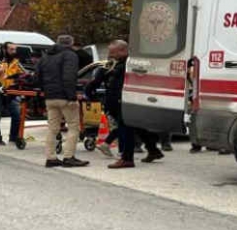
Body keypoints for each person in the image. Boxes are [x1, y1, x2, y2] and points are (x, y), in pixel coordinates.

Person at [93, 40, 163, 169]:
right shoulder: (120, 63)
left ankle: (127, 158)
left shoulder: (129, 63)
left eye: (113, 52)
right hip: (125, 99)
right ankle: (153, 150)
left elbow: (124, 80)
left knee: (126, 129)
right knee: (136, 126)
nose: (110, 55)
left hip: (126, 99)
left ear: (122, 51)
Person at [36, 35, 89, 168]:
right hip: (65, 97)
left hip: (50, 97)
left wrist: (45, 90)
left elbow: (37, 77)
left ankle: (51, 158)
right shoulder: (70, 55)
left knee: (52, 129)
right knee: (73, 127)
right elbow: (69, 77)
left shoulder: (46, 56)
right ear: (71, 44)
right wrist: (72, 97)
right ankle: (69, 157)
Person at [0, 42, 22, 144]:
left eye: (14, 49)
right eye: (11, 49)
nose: (14, 51)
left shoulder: (16, 62)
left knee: (16, 115)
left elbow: (22, 74)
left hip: (12, 92)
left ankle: (13, 137)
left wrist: (17, 78)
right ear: (5, 50)